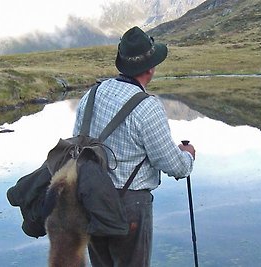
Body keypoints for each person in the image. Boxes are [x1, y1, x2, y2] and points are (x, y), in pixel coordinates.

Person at [72, 26, 196, 267]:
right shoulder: (147, 107)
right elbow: (174, 166)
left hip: (90, 198)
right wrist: (188, 156)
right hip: (129, 206)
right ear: (150, 68)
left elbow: (78, 140)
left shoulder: (93, 93)